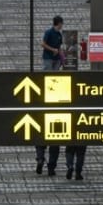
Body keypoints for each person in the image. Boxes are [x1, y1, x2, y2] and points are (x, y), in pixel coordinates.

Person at [35, 16, 64, 175]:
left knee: (40, 142)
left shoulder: (59, 34)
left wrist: (60, 53)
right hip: (48, 58)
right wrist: (52, 50)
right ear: (57, 23)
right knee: (54, 145)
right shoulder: (49, 32)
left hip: (55, 59)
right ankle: (50, 166)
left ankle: (40, 159)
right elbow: (42, 43)